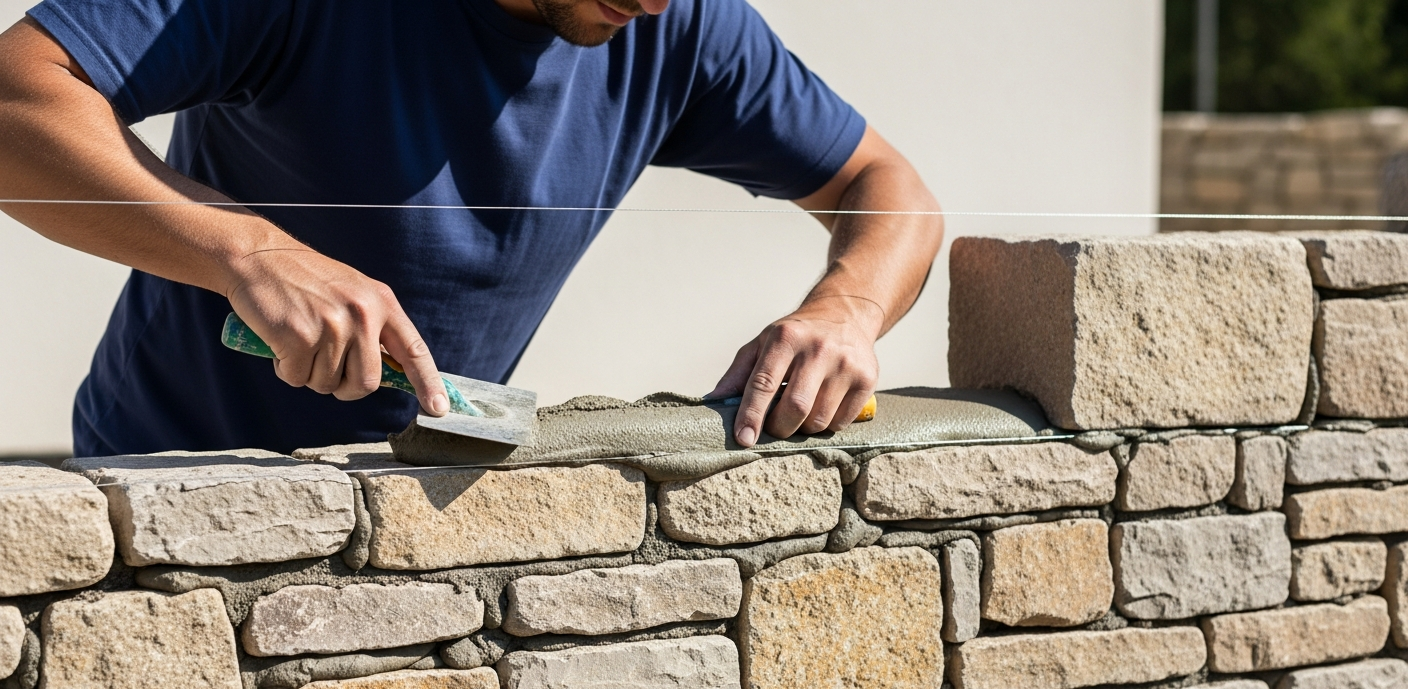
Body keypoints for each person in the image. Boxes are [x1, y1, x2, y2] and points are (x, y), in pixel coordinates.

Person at [0, 0, 943, 457]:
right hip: (167, 491)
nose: (653, 4)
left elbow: (887, 184)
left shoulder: (676, 24)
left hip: (425, 516)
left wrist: (849, 310)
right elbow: (14, 99)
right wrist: (249, 251)